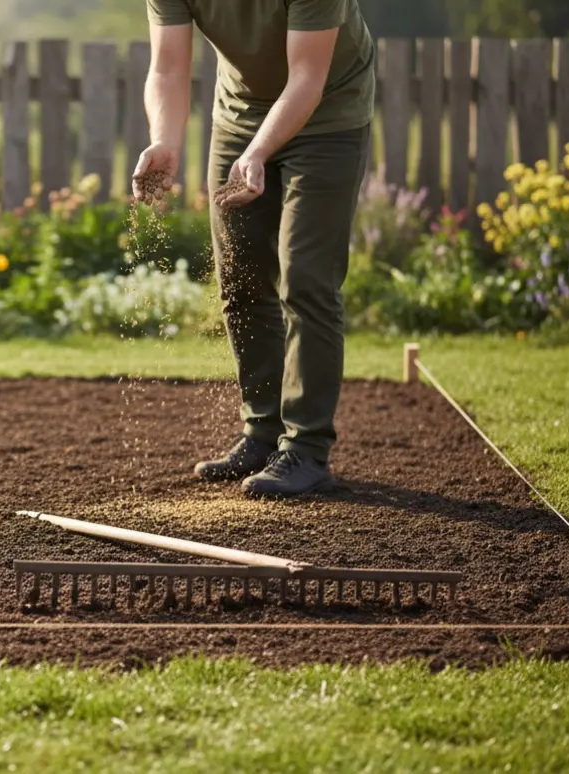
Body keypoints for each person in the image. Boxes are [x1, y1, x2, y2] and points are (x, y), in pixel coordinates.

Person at [133, 0, 376, 497]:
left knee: (306, 275)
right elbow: (167, 66)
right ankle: (262, 434)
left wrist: (260, 152)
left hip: (329, 112)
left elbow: (307, 75)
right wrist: (165, 140)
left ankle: (306, 448)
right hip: (240, 116)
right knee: (240, 276)